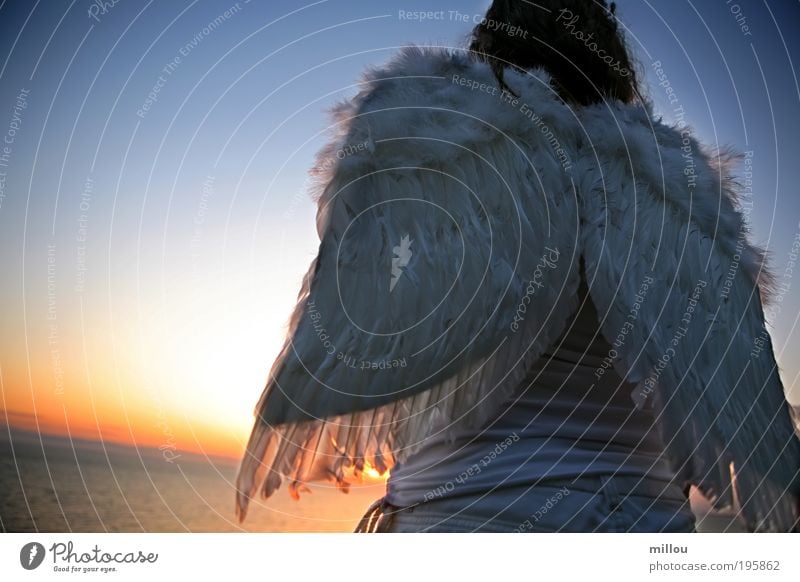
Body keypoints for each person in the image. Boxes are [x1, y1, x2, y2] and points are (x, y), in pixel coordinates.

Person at [236, 0, 800, 532]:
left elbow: (362, 317)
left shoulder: (433, 130)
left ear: (489, 47)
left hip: (462, 520)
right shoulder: (679, 189)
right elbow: (731, 391)